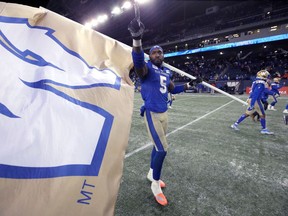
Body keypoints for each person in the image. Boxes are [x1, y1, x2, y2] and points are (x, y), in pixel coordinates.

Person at [128, 17, 201, 206]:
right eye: (154, 53)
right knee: (162, 149)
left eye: (160, 52)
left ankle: (152, 172)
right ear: (150, 56)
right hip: (152, 112)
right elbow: (137, 60)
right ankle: (155, 185)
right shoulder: (146, 69)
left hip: (164, 113)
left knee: (156, 147)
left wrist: (190, 84)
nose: (158, 54)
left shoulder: (166, 72)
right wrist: (137, 39)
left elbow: (172, 89)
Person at [231, 70, 274, 135]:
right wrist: (252, 103)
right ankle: (264, 129)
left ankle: (235, 124)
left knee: (247, 114)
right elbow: (256, 94)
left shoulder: (256, 82)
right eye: (266, 76)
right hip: (255, 100)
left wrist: (250, 100)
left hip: (252, 99)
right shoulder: (261, 83)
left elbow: (253, 92)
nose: (267, 78)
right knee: (262, 115)